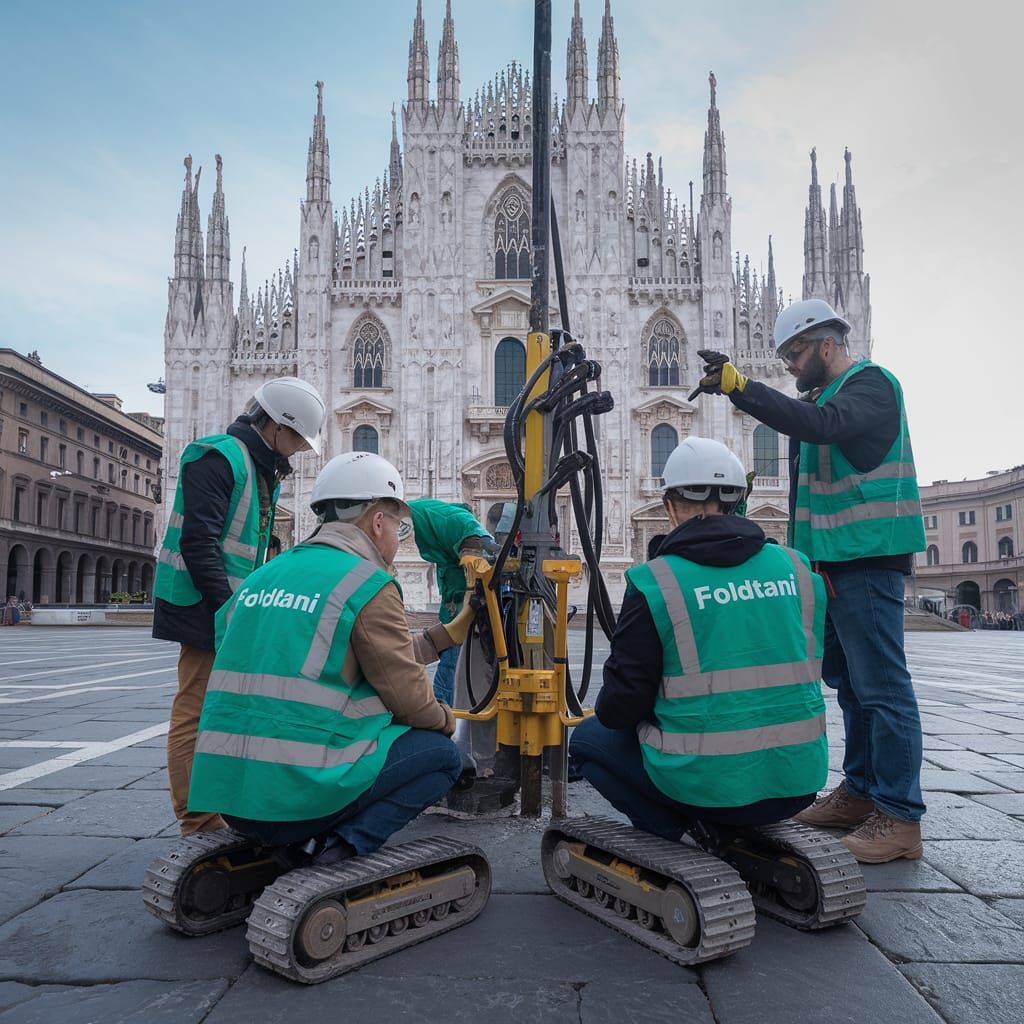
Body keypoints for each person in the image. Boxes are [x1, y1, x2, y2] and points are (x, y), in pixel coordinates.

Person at [694, 298, 927, 863]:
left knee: (883, 689)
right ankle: (861, 791)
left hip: (868, 559)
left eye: (796, 352)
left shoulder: (871, 387)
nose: (791, 364)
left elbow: (825, 428)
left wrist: (741, 386)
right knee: (850, 686)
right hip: (830, 565)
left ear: (827, 344)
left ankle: (899, 816)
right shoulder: (823, 398)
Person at [186, 452, 475, 861]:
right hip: (294, 801)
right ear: (378, 522)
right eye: (398, 526)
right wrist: (449, 721)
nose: (397, 537)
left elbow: (333, 652)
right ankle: (332, 850)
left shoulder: (261, 577)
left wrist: (441, 638)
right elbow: (409, 700)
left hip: (229, 796)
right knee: (441, 756)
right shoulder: (367, 583)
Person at [570, 437, 826, 842]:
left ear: (669, 505)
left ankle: (685, 835)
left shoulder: (657, 582)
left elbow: (620, 707)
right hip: (799, 783)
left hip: (706, 790)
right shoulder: (796, 567)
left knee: (587, 740)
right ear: (739, 500)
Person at [153, 377, 327, 836]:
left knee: (224, 708)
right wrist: (230, 611)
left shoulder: (257, 465)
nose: (297, 451)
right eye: (295, 440)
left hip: (229, 603)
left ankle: (221, 807)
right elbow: (199, 542)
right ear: (273, 424)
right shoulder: (219, 457)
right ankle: (196, 820)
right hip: (199, 603)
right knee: (195, 709)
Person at [407, 498, 495, 705]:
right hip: (455, 621)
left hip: (470, 622)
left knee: (448, 687)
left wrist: (472, 548)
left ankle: (446, 720)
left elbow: (470, 531)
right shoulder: (445, 550)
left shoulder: (437, 517)